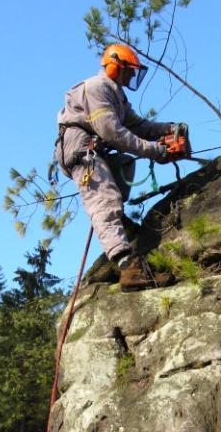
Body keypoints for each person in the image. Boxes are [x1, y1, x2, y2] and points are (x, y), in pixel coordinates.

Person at [55, 43, 188, 292]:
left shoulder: (117, 95)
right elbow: (112, 132)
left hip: (94, 147)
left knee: (121, 176)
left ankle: (121, 241)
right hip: (82, 147)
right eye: (128, 71)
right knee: (104, 199)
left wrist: (168, 129)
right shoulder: (97, 88)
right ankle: (128, 267)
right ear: (116, 66)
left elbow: (137, 125)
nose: (130, 77)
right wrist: (155, 150)